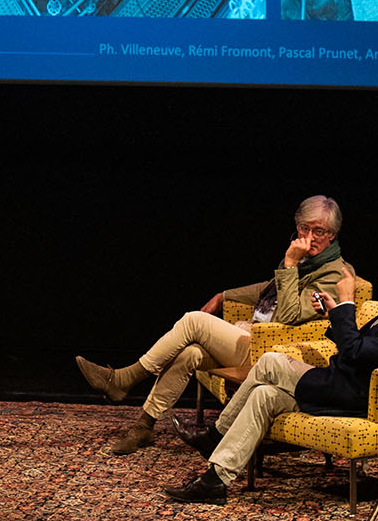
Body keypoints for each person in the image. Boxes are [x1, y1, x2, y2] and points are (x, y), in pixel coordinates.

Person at [162, 246, 378, 504]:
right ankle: (215, 481)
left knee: (271, 361)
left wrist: (346, 303)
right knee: (264, 395)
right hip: (344, 383)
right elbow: (365, 348)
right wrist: (333, 314)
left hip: (353, 396)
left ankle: (215, 435)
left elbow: (355, 352)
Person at [74, 195, 348, 456]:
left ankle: (124, 378)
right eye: (304, 228)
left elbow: (288, 314)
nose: (309, 237)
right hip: (249, 336)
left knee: (194, 320)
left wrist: (290, 263)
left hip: (270, 353)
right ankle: (144, 425)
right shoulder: (306, 261)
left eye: (319, 231)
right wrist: (224, 296)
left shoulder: (333, 272)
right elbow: (270, 289)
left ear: (332, 234)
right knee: (189, 353)